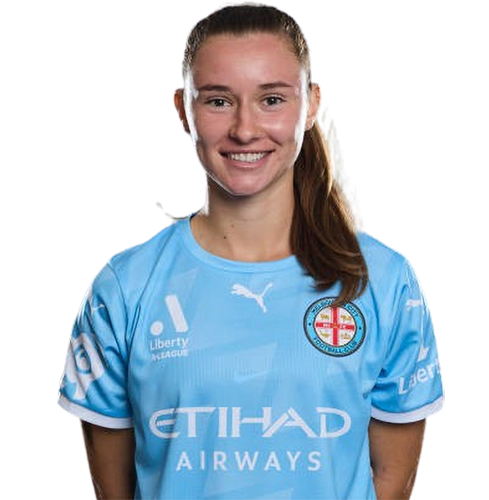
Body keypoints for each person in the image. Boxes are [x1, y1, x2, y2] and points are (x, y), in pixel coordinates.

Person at [57, 5, 444, 500]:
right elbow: (115, 491)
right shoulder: (124, 289)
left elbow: (392, 480)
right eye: (218, 101)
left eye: (272, 99)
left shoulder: (383, 283)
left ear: (311, 105)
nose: (244, 129)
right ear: (183, 110)